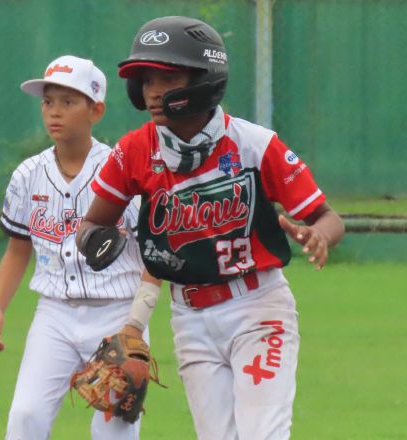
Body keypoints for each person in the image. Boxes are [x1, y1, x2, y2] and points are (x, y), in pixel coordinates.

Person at [76, 16, 345, 440]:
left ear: (204, 78)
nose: (154, 91)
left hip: (258, 309)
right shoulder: (134, 151)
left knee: (263, 434)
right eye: (146, 80)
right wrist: (95, 240)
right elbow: (92, 223)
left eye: (168, 76)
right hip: (191, 317)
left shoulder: (254, 144)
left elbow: (328, 217)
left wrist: (319, 235)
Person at [0, 54, 154, 440]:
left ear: (96, 110)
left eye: (68, 101)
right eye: (47, 101)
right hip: (54, 316)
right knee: (25, 417)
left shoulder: (122, 169)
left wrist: (137, 324)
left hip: (116, 314)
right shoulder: (28, 175)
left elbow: (151, 256)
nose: (54, 112)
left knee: (114, 428)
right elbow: (17, 249)